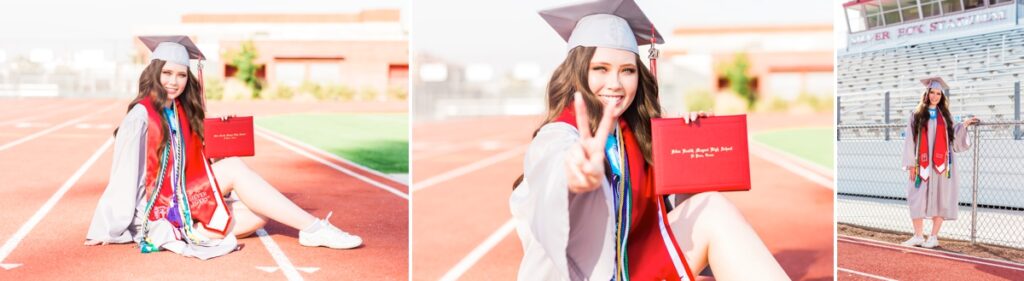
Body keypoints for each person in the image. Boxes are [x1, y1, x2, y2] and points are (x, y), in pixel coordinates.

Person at [509, 1, 788, 280]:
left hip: (631, 261)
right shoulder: (558, 136)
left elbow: (670, 213)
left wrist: (688, 147)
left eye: (627, 70)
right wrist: (576, 175)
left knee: (712, 210)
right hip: (586, 275)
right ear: (577, 73)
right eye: (601, 69)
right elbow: (553, 167)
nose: (616, 83)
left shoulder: (632, 135)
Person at [85, 35, 362, 260]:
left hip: (184, 197)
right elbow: (123, 176)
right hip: (159, 211)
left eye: (181, 75)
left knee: (260, 214)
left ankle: (199, 229)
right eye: (167, 73)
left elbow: (200, 161)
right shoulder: (141, 117)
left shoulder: (181, 111)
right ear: (154, 73)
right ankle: (314, 229)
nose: (173, 81)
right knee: (235, 171)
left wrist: (221, 133)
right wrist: (108, 228)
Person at [900, 77, 979, 248]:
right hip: (922, 164)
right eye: (932, 92)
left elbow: (953, 136)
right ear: (926, 94)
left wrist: (963, 125)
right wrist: (911, 164)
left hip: (942, 163)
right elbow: (909, 141)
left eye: (938, 93)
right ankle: (918, 235)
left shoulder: (945, 116)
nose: (935, 96)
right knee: (916, 196)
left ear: (941, 96)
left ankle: (933, 236)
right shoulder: (916, 115)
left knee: (942, 196)